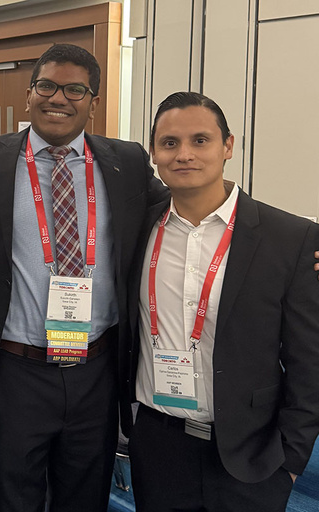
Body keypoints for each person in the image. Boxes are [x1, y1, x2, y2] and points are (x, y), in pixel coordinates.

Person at [0, 43, 168, 511]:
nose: (58, 98)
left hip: (97, 371)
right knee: (10, 499)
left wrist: (289, 242)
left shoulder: (125, 162)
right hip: (13, 370)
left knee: (84, 497)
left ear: (93, 100)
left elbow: (184, 210)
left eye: (75, 89)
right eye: (46, 86)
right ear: (29, 94)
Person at [126, 91, 319, 511]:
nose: (185, 155)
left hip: (251, 455)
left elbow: (310, 360)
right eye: (170, 143)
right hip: (159, 446)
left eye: (201, 140)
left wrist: (291, 459)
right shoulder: (136, 226)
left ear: (228, 146)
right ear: (155, 154)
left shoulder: (289, 238)